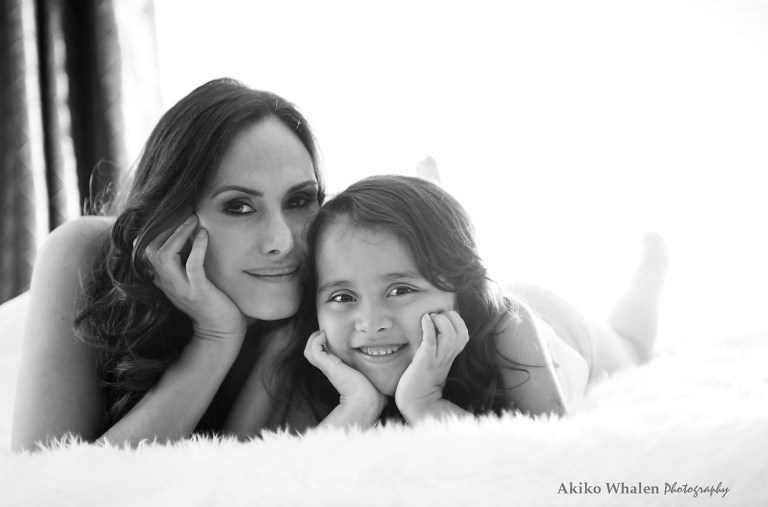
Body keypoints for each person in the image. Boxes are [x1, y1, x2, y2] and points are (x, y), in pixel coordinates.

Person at [11, 78, 325, 450]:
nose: (282, 242)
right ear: (174, 217)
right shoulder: (85, 252)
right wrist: (215, 340)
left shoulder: (345, 295)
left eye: (299, 200)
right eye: (239, 206)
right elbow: (44, 493)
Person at [293, 174, 669, 428]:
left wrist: (424, 401)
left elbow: (550, 458)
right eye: (343, 296)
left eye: (400, 290)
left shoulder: (510, 330)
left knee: (631, 344)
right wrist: (356, 406)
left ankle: (652, 267)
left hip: (559, 327)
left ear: (458, 287)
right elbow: (298, 478)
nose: (371, 322)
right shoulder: (325, 359)